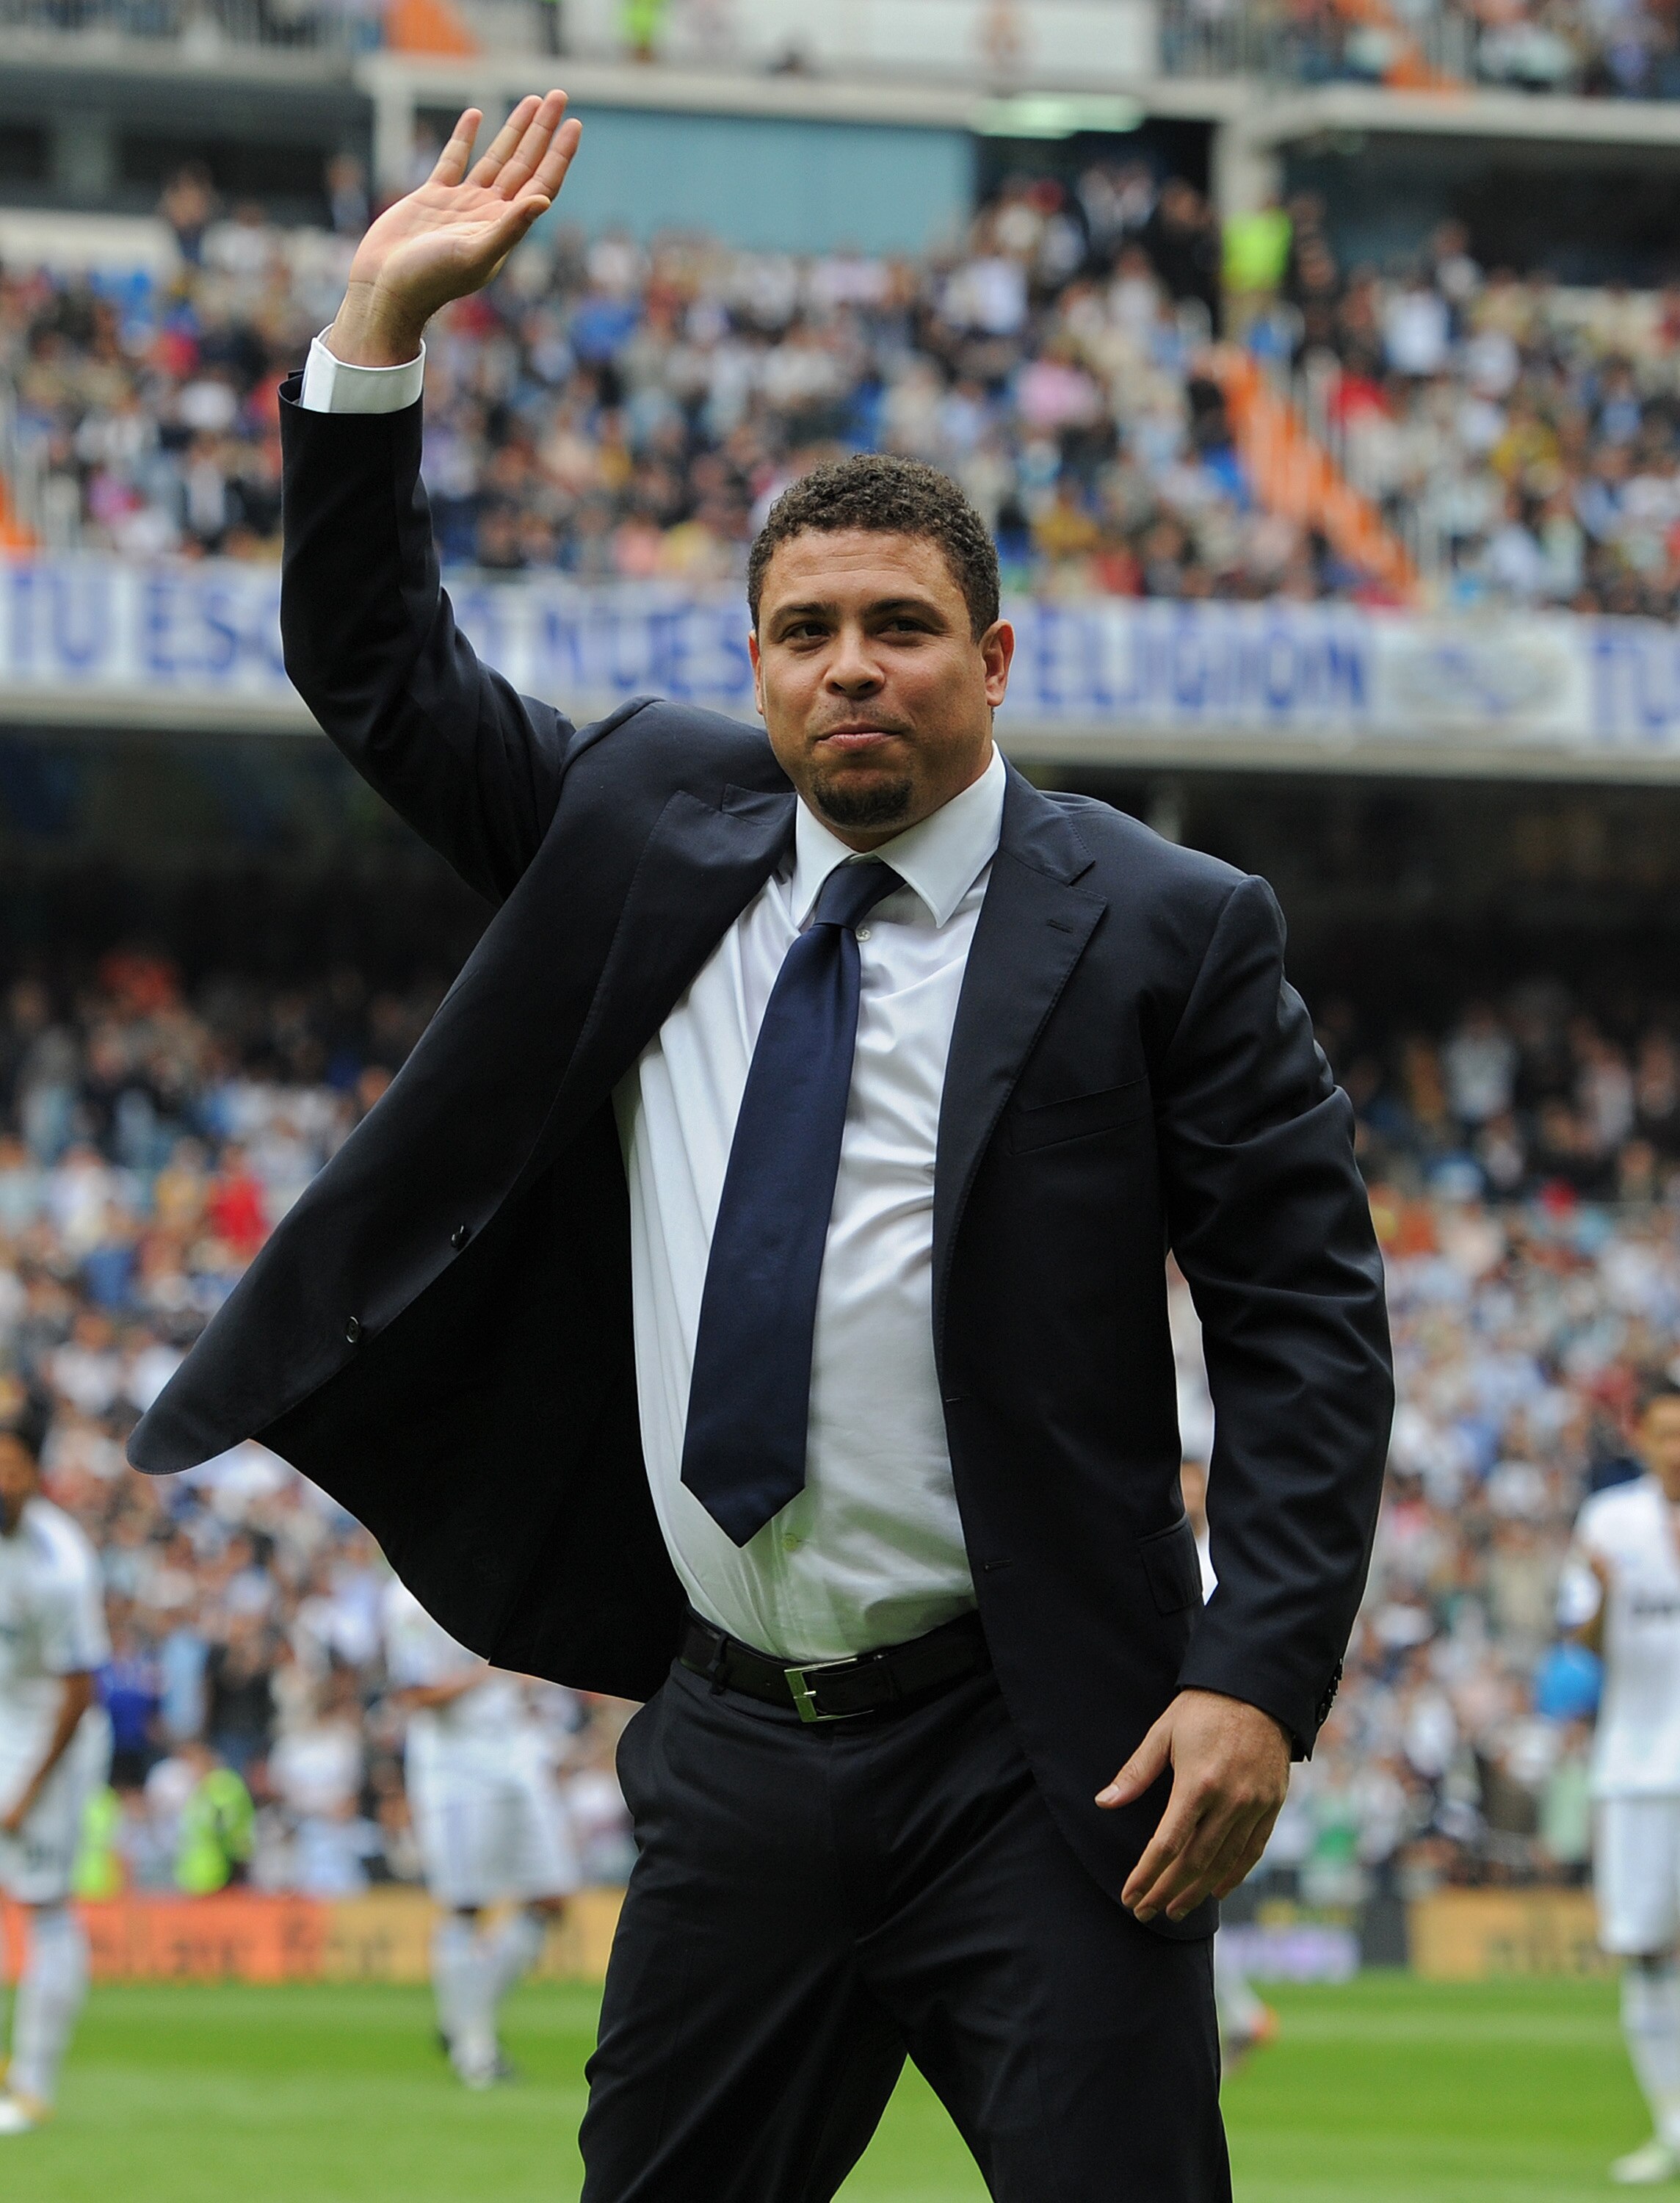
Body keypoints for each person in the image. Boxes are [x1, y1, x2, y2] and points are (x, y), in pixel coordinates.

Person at [128, 93, 1392, 2199]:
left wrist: (1256, 1672)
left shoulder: (1165, 927)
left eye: (900, 627)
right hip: (735, 1744)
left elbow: (1306, 1324)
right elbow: (379, 674)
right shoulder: (648, 829)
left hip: (1041, 1750)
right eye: (806, 636)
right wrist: (374, 330)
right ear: (756, 671)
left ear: (993, 658)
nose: (851, 673)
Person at [382, 1577, 577, 2088]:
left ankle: (459, 2020)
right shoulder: (409, 1599)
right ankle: (475, 2048)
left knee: (552, 1899)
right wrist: (493, 1671)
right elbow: (415, 1693)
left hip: (515, 1758)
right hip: (456, 1771)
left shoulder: (498, 1583)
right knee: (467, 1904)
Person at [1564, 1375, 1680, 2185]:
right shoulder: (1610, 1522)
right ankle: (1672, 2121)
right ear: (1641, 1437)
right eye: (1665, 1431)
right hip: (1637, 1764)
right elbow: (1586, 1650)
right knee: (1642, 1949)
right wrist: (1604, 1599)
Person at [0, 1387, 112, 2135]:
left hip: (52, 1738)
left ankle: (32, 2086)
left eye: (7, 1465)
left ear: (32, 1474)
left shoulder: (61, 1562)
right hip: (4, 1720)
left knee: (44, 1905)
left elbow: (79, 1692)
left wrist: (24, 1794)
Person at [1181, 1456, 1280, 2069]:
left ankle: (1235, 2016)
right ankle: (1237, 2015)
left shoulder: (1223, 1561)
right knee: (1193, 1887)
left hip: (1212, 1739)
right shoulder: (1168, 1552)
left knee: (1198, 1885)